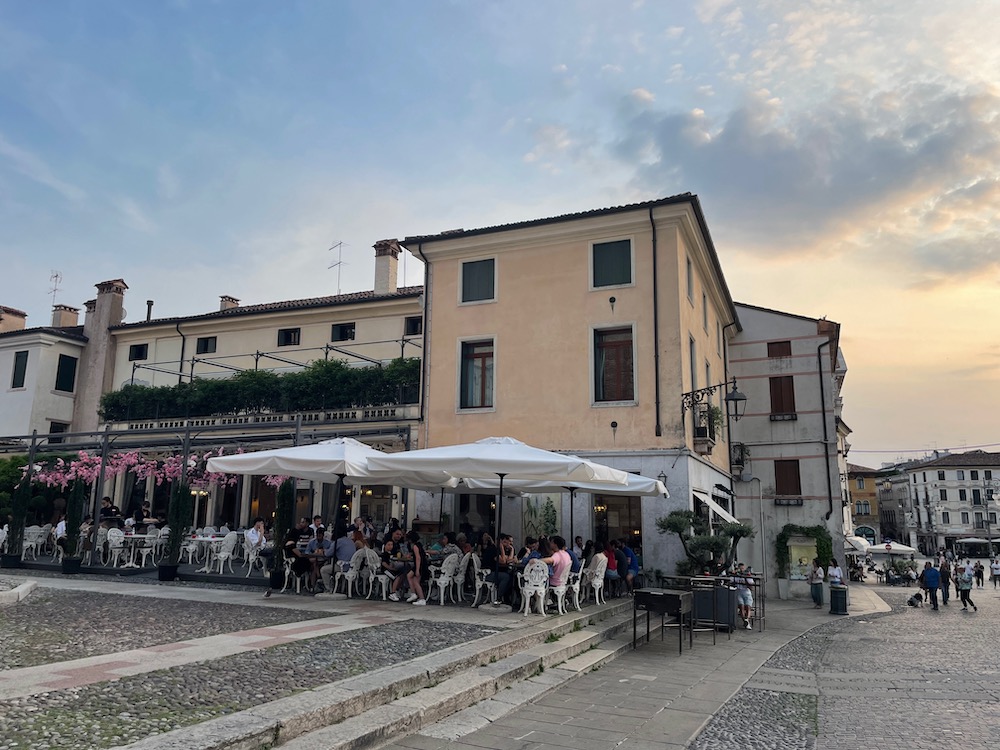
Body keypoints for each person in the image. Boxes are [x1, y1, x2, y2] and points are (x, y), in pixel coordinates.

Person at [390, 530, 429, 606]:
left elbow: (418, 558)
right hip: (421, 565)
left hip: (419, 565)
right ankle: (413, 593)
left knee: (416, 581)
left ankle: (421, 598)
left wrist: (417, 570)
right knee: (409, 575)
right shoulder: (418, 545)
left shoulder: (415, 546)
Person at [732, 562, 755, 629]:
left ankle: (746, 620)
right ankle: (745, 621)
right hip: (739, 591)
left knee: (748, 607)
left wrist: (745, 578)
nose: (741, 570)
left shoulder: (747, 575)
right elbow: (731, 581)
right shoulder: (736, 575)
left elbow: (751, 584)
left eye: (742, 568)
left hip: (746, 592)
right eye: (740, 568)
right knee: (741, 606)